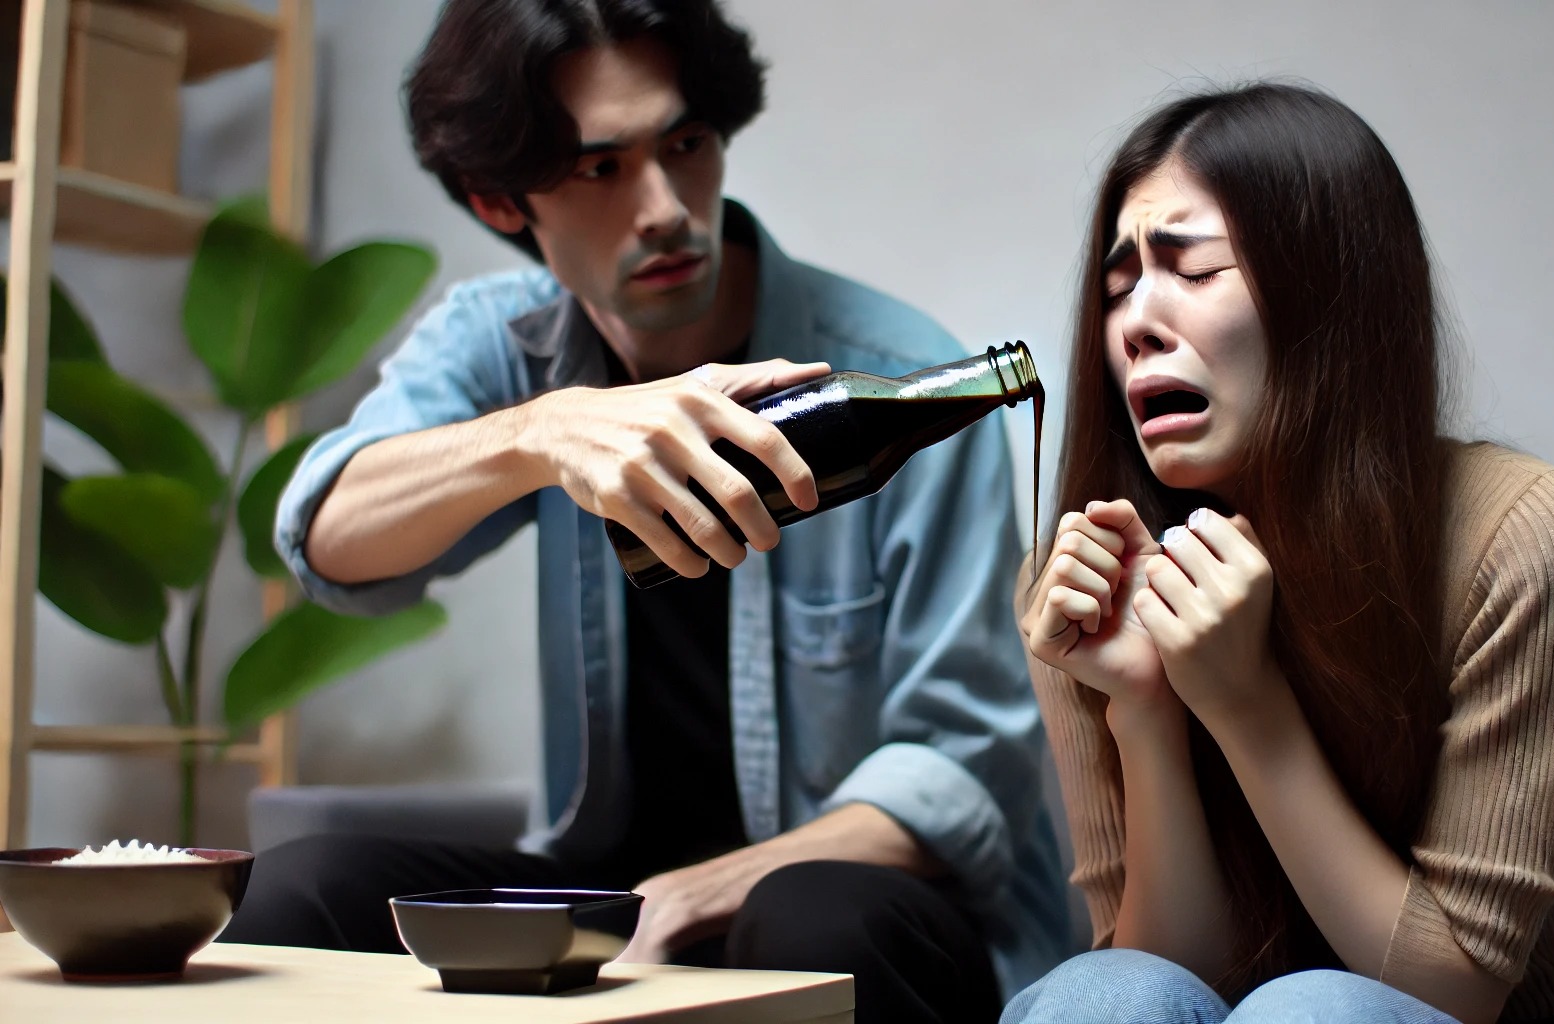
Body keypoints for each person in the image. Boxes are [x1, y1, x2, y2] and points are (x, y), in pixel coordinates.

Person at [219, 2, 1068, 1020]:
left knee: (811, 920)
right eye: (600, 167)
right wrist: (542, 433)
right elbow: (324, 538)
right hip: (608, 879)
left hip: (852, 893)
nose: (665, 207)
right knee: (303, 886)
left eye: (685, 144)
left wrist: (705, 888)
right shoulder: (509, 350)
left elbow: (966, 767)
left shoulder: (900, 378)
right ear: (499, 201)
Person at [1005, 84, 1554, 1024]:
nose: (1135, 324)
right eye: (1117, 289)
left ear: (1327, 293)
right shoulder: (1087, 583)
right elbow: (1168, 981)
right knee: (1098, 994)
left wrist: (1244, 703)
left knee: (1315, 1009)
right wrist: (1145, 709)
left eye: (1193, 271)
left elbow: (1455, 987)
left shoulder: (1526, 533)